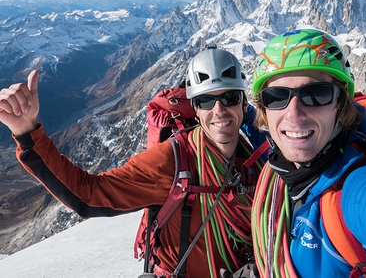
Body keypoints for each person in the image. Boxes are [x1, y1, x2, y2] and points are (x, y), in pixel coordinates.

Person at [0, 47, 264, 278]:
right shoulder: (172, 161)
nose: (219, 110)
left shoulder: (255, 163)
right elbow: (89, 194)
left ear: (243, 104)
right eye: (206, 100)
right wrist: (28, 132)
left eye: (229, 97)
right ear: (195, 108)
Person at [250, 29, 366, 277]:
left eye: (316, 94)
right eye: (276, 96)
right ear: (264, 109)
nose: (293, 114)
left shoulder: (362, 189)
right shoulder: (284, 178)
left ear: (340, 103)